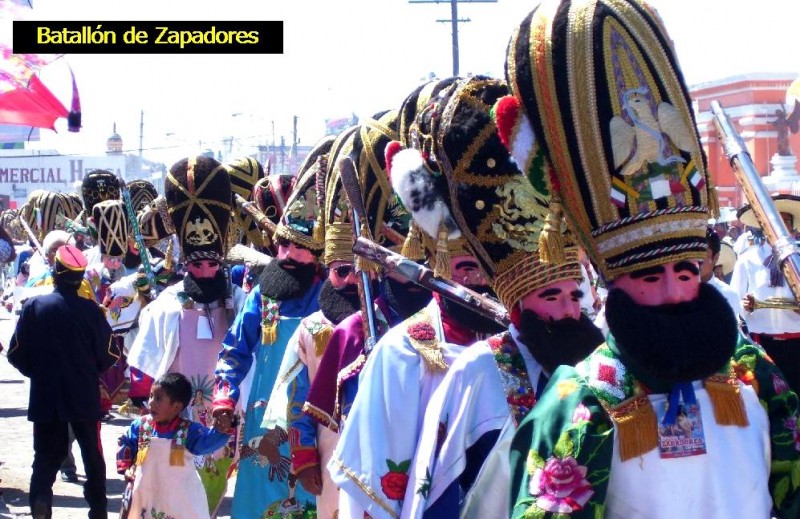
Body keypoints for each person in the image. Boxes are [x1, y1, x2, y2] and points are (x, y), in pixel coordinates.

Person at [505, 1, 800, 517]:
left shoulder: (751, 372)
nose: (672, 293)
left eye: (686, 272)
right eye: (649, 275)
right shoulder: (583, 400)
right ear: (612, 283)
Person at [398, 76, 605, 518]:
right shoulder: (479, 370)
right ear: (516, 304)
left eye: (574, 295)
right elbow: (442, 487)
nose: (571, 310)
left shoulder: (601, 365)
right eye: (553, 296)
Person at [329, 77, 508, 519]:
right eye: (466, 267)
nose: (478, 281)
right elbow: (369, 493)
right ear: (438, 259)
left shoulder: (533, 347)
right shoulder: (403, 353)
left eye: (489, 269)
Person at [302, 110, 433, 519]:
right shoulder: (353, 330)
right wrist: (306, 449)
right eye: (396, 261)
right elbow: (317, 409)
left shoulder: (455, 327)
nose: (408, 271)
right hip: (363, 475)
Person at [212, 137, 333, 518]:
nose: (289, 257)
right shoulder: (262, 294)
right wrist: (224, 397)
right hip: (263, 431)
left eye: (301, 250)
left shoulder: (332, 299)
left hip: (315, 427)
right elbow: (235, 351)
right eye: (284, 247)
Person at [127, 155, 245, 516]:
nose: (206, 271)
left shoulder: (239, 301)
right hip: (177, 414)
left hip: (223, 412)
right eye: (198, 264)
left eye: (213, 264)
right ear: (185, 263)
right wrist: (143, 396)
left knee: (207, 495)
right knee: (175, 496)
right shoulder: (168, 302)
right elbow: (146, 358)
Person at [7, 245, 116, 519]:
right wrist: (90, 372)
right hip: (83, 393)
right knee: (92, 454)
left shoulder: (34, 307)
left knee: (45, 455)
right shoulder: (92, 311)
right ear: (79, 278)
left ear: (55, 272)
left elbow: (16, 353)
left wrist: (39, 373)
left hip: (46, 394)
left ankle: (41, 500)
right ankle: (99, 509)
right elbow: (111, 353)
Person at [116, 372, 233, 519]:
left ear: (176, 407)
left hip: (179, 500)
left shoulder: (187, 431)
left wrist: (221, 429)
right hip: (145, 494)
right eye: (151, 396)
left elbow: (206, 443)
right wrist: (126, 467)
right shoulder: (141, 426)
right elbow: (126, 443)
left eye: (158, 399)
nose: (151, 402)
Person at [731, 193, 800, 394]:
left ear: (793, 227)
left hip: (797, 343)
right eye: (774, 220)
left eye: (785, 221)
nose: (779, 226)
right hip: (762, 345)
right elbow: (734, 302)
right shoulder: (748, 259)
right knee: (767, 398)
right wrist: (744, 309)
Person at [701, 226, 741, 317]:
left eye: (702, 256)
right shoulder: (676, 292)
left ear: (715, 258)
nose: (696, 261)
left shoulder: (728, 295)